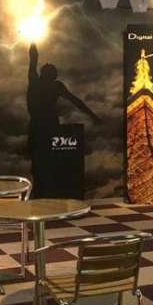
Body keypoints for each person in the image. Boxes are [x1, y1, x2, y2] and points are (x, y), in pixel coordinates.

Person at [27, 42, 101, 197]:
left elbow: (33, 59)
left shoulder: (38, 81)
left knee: (41, 159)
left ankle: (44, 191)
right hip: (45, 125)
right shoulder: (51, 85)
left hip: (41, 125)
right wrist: (93, 116)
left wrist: (32, 42)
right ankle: (42, 191)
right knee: (42, 159)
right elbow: (76, 101)